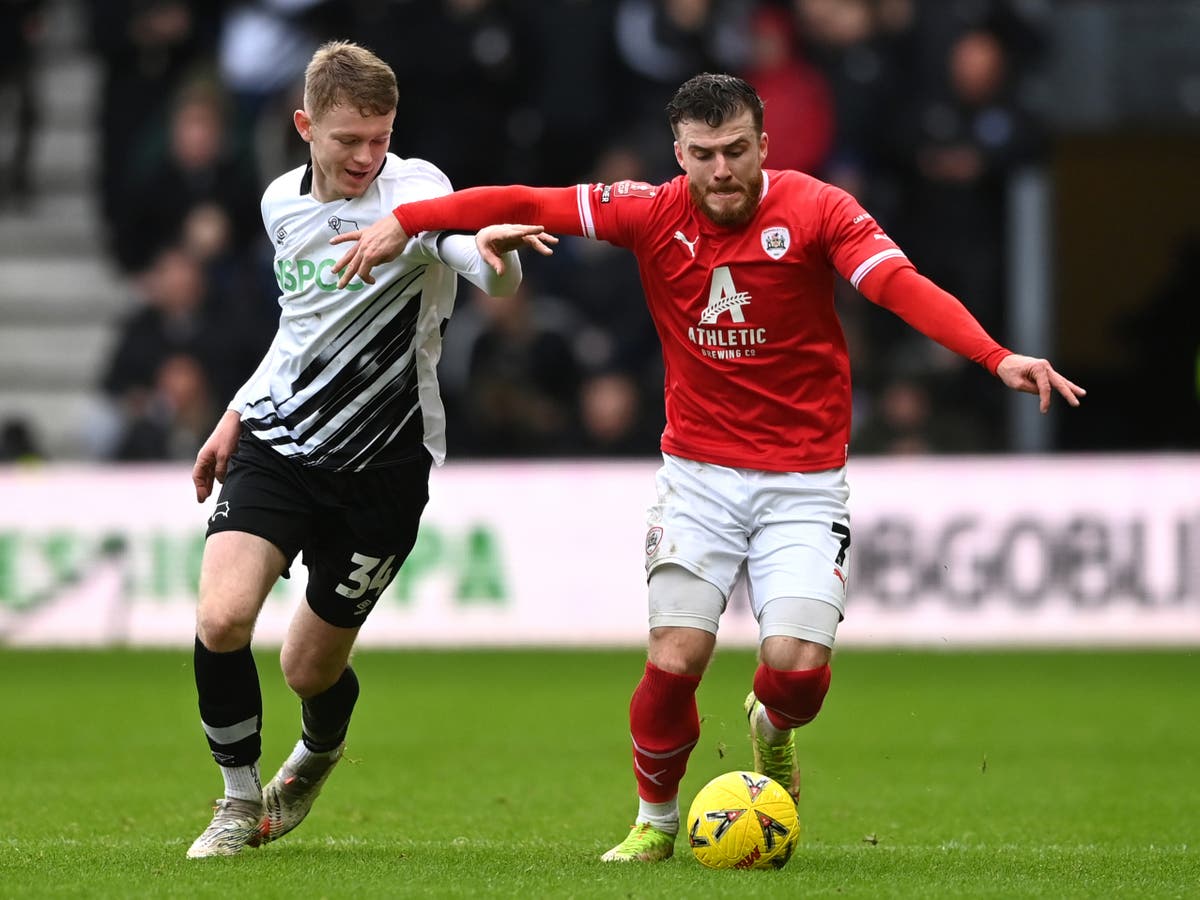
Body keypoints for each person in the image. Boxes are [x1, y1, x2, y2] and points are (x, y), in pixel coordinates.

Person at [328, 72, 1085, 863]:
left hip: (804, 481)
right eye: (703, 154)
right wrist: (405, 222)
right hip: (697, 476)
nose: (721, 170)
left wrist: (994, 357)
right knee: (675, 657)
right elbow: (527, 196)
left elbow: (896, 285)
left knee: (795, 671)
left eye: (735, 151)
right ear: (678, 154)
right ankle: (655, 820)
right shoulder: (650, 211)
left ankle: (773, 729)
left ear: (765, 144)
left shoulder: (820, 209)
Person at [184, 40, 554, 859]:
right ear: (305, 125)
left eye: (380, 137)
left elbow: (466, 255)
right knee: (220, 617)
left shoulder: (417, 191)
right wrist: (236, 412)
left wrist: (493, 260)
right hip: (281, 441)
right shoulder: (283, 203)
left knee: (307, 669)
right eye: (348, 138)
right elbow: (299, 326)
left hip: (385, 464)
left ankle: (316, 753)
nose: (365, 156)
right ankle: (238, 799)